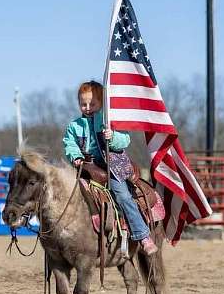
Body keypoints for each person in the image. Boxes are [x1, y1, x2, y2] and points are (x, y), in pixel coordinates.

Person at [62, 80, 158, 255]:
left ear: (102, 103)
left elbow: (125, 140)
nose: (88, 107)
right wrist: (75, 156)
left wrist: (112, 136)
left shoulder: (109, 121)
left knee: (122, 195)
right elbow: (69, 143)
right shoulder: (74, 126)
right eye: (83, 104)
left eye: (93, 103)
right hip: (86, 166)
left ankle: (142, 235)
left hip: (112, 165)